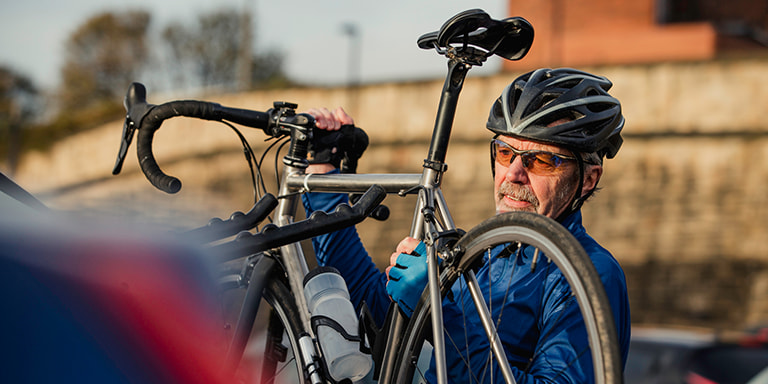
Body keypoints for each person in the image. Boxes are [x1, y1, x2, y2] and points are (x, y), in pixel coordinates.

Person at [302, 68, 631, 383]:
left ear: (588, 178)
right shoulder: (482, 255)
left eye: (541, 160)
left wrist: (439, 316)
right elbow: (367, 310)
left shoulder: (589, 272)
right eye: (505, 152)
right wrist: (324, 178)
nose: (513, 174)